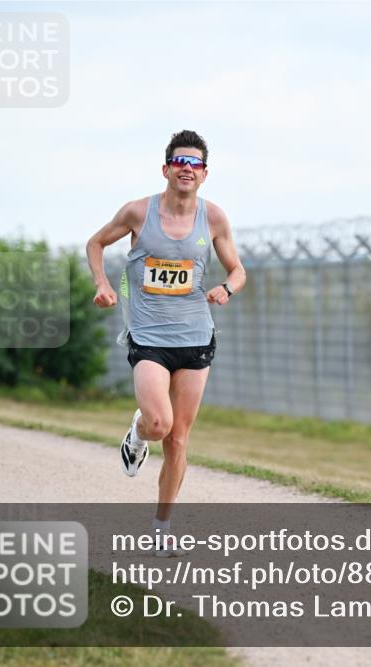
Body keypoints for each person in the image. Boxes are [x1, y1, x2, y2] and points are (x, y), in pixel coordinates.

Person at [86, 130, 245, 554]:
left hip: (195, 337)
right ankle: (138, 433)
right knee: (159, 424)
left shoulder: (214, 219)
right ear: (166, 168)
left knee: (178, 440)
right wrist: (102, 283)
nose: (186, 169)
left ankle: (161, 527)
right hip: (149, 337)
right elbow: (96, 242)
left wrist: (226, 289)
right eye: (180, 162)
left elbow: (238, 270)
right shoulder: (139, 212)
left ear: (205, 173)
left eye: (195, 164)